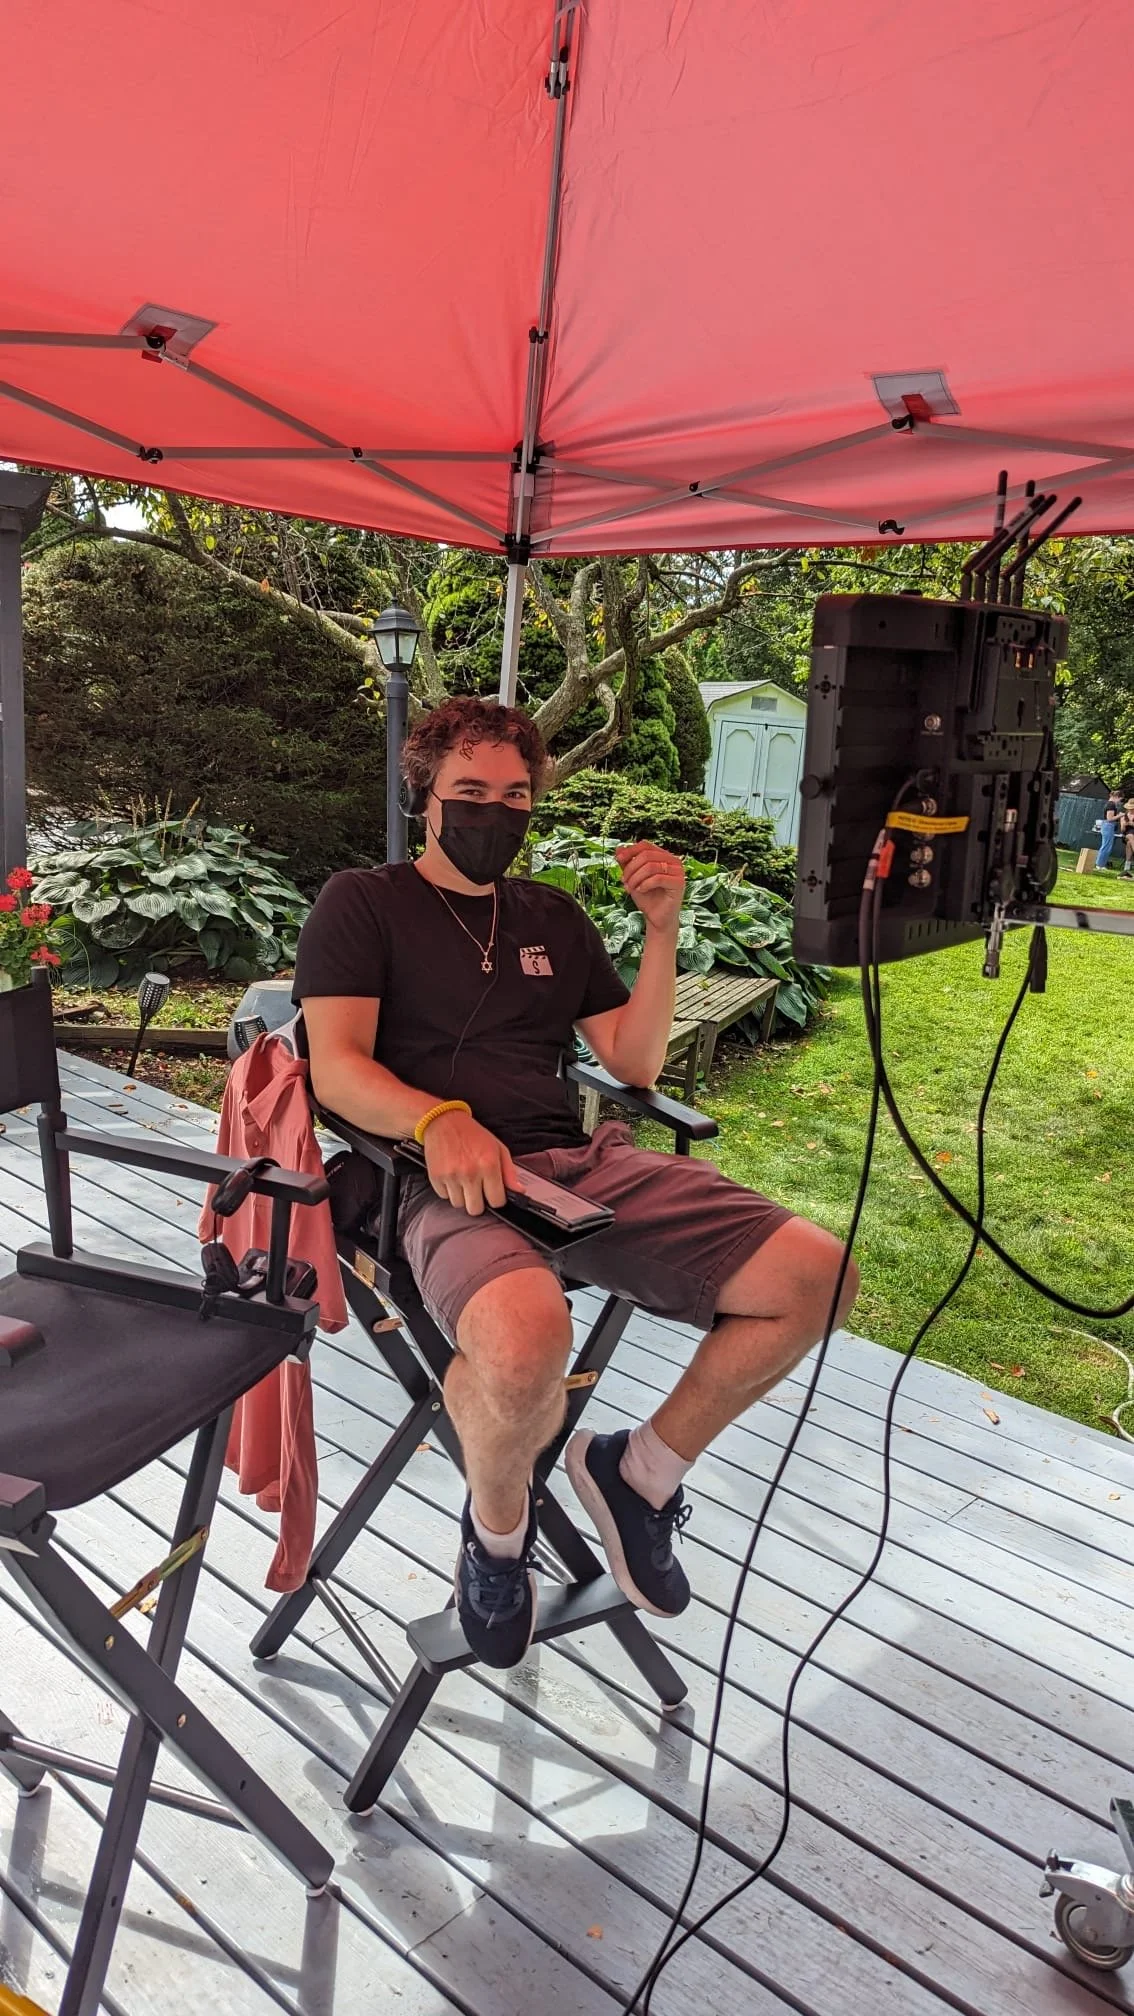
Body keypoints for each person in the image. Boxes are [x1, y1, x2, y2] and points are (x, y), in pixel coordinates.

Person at [293, 696, 858, 1670]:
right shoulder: (363, 901)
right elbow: (335, 1067)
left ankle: (638, 1474)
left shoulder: (549, 913)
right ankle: (498, 1536)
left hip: (574, 1163)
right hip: (429, 1175)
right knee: (525, 1343)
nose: (495, 812)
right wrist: (437, 1120)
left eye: (515, 795)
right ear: (426, 789)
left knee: (817, 1276)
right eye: (472, 791)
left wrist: (664, 929)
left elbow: (633, 1066)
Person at [1095, 789, 1126, 870]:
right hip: (1108, 825)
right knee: (1106, 846)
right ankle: (1099, 864)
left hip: (1108, 826)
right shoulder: (1111, 805)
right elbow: (1109, 818)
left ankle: (1101, 864)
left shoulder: (1109, 804)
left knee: (1107, 845)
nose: (1119, 802)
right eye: (1120, 799)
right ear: (1116, 797)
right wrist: (1120, 815)